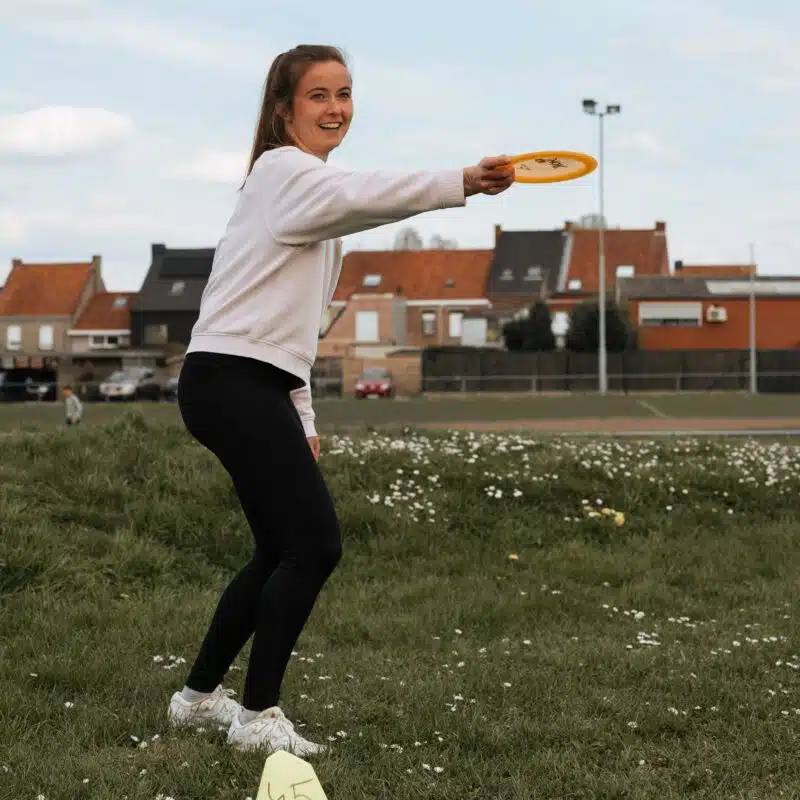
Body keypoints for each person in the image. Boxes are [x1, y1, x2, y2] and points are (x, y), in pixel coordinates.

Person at [166, 43, 515, 755]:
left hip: (247, 381)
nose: (336, 109)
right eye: (319, 95)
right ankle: (256, 720)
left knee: (278, 548)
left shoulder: (304, 195)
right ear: (283, 110)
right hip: (230, 381)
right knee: (315, 544)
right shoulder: (283, 173)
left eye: (345, 94)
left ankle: (196, 701)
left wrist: (303, 414)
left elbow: (290, 325)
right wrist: (462, 181)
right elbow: (364, 194)